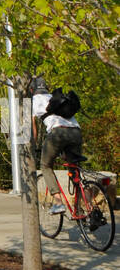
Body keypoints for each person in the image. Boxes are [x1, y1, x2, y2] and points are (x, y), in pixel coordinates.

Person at [39, 87, 83, 215]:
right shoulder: (57, 98)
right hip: (76, 132)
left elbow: (31, 128)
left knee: (45, 165)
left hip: (58, 133)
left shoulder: (32, 100)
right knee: (75, 169)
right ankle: (83, 207)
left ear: (31, 89)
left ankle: (58, 203)